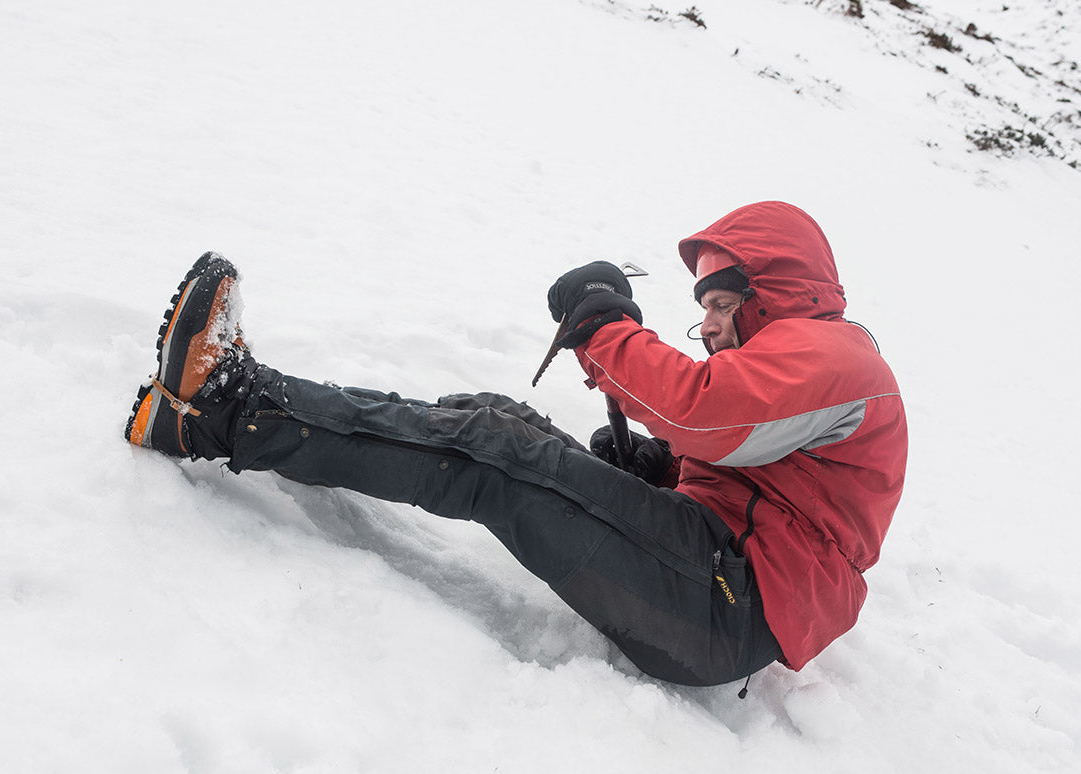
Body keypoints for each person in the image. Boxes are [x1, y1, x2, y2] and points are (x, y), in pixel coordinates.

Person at [124, 201, 907, 686]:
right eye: (704, 305)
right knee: (502, 419)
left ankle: (224, 408)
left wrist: (607, 328)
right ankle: (211, 411)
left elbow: (710, 414)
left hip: (722, 605)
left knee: (497, 453)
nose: (705, 322)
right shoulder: (812, 370)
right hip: (713, 579)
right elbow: (768, 476)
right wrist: (663, 470)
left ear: (778, 291)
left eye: (724, 300)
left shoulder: (839, 356)